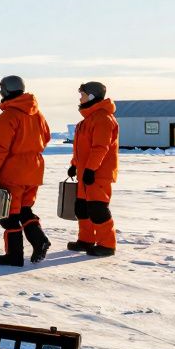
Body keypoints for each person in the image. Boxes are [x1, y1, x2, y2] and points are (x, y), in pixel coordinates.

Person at [0, 75, 52, 266]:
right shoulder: (37, 115)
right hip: (35, 170)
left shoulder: (6, 117)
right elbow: (46, 137)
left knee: (10, 215)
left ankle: (14, 256)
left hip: (13, 172)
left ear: (5, 91)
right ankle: (39, 240)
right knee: (25, 209)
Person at [67, 82, 120, 257]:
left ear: (91, 96)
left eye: (82, 95)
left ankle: (107, 244)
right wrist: (74, 165)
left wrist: (90, 169)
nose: (80, 98)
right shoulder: (87, 121)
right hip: (85, 173)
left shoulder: (103, 119)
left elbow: (100, 148)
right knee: (81, 208)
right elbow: (81, 149)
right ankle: (86, 240)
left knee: (97, 209)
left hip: (98, 174)